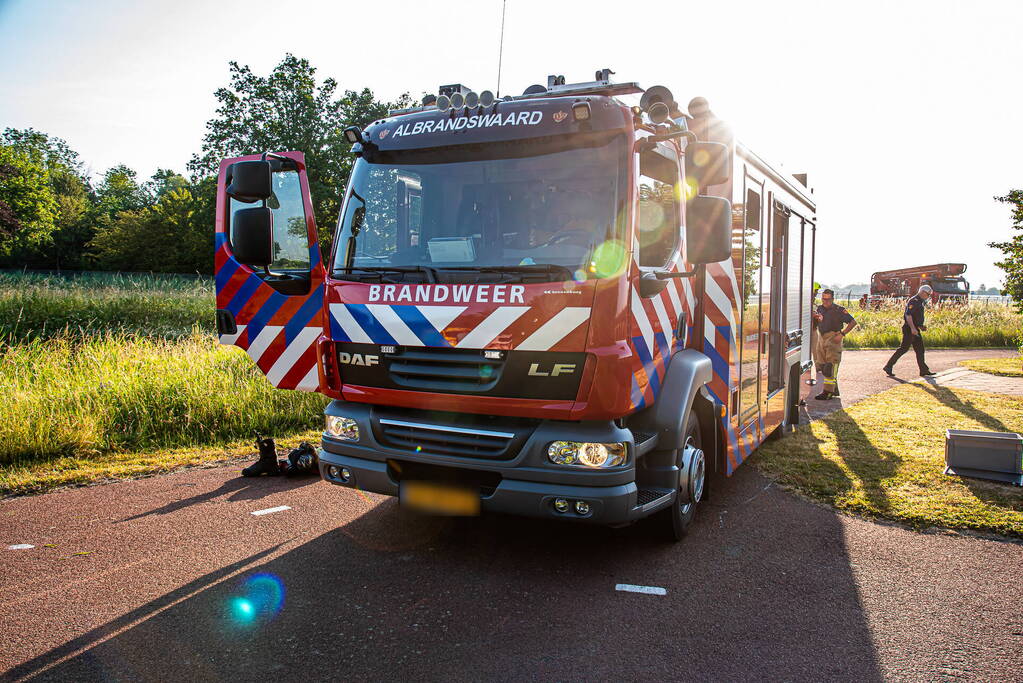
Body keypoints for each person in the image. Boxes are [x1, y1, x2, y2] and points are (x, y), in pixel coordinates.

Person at [812, 288, 857, 400]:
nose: (825, 301)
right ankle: (834, 388)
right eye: (823, 299)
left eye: (828, 299)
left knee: (830, 367)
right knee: (822, 365)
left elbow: (853, 322)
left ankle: (827, 392)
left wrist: (842, 334)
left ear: (832, 299)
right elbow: (818, 322)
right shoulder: (819, 308)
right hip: (821, 338)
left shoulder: (839, 310)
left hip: (833, 338)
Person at [883, 284, 935, 377]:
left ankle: (923, 370)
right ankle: (888, 366)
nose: (928, 296)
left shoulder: (920, 301)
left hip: (915, 328)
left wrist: (920, 326)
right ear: (922, 292)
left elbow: (916, 317)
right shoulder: (914, 301)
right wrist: (913, 328)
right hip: (909, 329)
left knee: (920, 349)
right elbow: (908, 315)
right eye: (928, 294)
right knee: (903, 348)